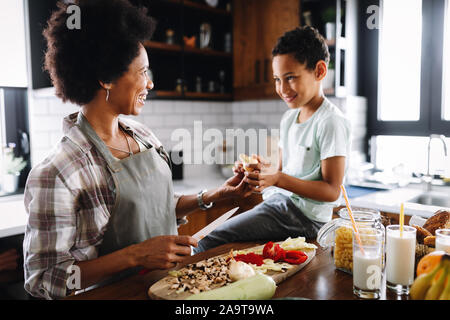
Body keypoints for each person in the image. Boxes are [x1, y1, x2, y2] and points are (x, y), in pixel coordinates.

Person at [23, 0, 252, 300]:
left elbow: (152, 207)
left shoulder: (143, 136)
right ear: (106, 78)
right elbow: (44, 278)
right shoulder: (59, 171)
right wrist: (136, 255)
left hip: (173, 289)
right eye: (142, 72)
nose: (150, 82)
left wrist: (212, 197)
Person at [195, 26, 352, 253]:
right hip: (281, 205)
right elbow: (281, 172)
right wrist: (259, 172)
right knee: (214, 234)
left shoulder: (330, 121)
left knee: (210, 238)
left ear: (319, 71)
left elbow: (331, 191)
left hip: (307, 219)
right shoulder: (289, 118)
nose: (282, 88)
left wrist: (277, 178)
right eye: (277, 79)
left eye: (290, 78)